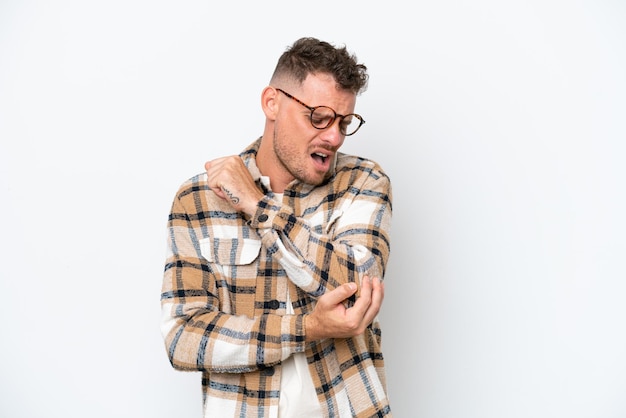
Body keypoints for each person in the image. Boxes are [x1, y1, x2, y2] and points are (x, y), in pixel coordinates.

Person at [160, 37, 393, 417]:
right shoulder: (198, 200)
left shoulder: (363, 183)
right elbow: (183, 339)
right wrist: (306, 328)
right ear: (272, 103)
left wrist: (256, 205)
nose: (333, 137)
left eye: (344, 123)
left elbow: (357, 288)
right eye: (319, 117)